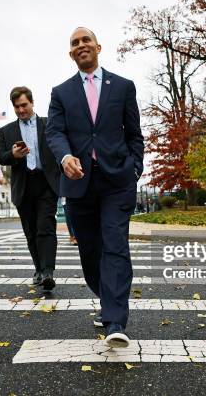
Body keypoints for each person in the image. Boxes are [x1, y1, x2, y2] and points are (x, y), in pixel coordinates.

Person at [46, 27, 144, 347]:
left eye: (85, 40)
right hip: (78, 182)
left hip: (117, 180)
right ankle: (108, 297)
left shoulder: (124, 86)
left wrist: (135, 169)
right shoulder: (61, 92)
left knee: (115, 244)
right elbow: (55, 133)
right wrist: (64, 158)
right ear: (70, 53)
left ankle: (115, 319)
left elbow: (134, 135)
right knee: (90, 252)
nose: (81, 45)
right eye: (74, 43)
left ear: (98, 46)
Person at [0, 87, 60, 290]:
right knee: (31, 232)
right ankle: (39, 269)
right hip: (23, 185)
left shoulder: (48, 124)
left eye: (24, 105)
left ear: (32, 103)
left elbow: (60, 146)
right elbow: (0, 157)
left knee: (46, 227)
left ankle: (48, 271)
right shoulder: (6, 131)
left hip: (46, 182)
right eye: (17, 107)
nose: (21, 110)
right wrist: (13, 155)